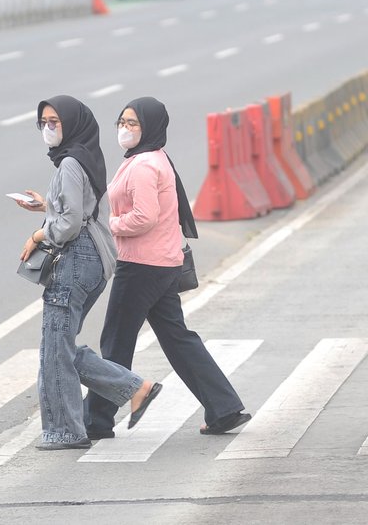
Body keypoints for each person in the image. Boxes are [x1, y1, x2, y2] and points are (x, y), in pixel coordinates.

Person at [84, 96, 251, 440]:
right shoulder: (151, 158)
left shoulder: (144, 164)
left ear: (150, 127)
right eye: (122, 123)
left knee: (116, 341)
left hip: (142, 266)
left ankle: (96, 421)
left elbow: (145, 217)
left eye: (133, 124)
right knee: (178, 339)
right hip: (161, 264)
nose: (125, 129)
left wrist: (110, 224)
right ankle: (225, 409)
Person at [15, 94, 162, 450]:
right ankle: (134, 388)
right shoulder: (85, 156)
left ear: (72, 123)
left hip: (76, 260)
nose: (48, 129)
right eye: (43, 123)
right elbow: (79, 209)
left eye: (55, 122)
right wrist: (46, 208)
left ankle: (67, 431)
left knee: (54, 349)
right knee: (58, 345)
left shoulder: (69, 164)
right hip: (96, 259)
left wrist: (39, 233)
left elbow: (68, 225)